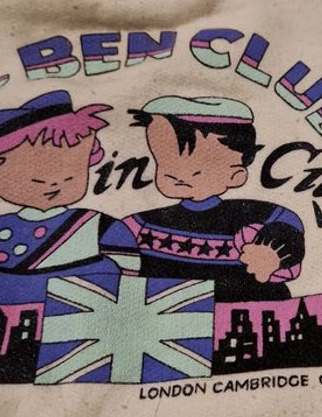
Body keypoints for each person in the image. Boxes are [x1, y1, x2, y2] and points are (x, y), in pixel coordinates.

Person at [0, 90, 139, 304]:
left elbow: (128, 263)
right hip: (3, 316)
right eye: (34, 179)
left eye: (71, 175)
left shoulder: (95, 225)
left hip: (80, 311)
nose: (53, 183)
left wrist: (119, 298)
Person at [124, 95, 305, 302]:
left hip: (245, 315)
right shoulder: (143, 225)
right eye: (165, 164)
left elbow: (288, 232)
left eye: (197, 168)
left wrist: (272, 253)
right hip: (165, 315)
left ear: (237, 174)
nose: (177, 175)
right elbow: (111, 252)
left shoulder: (257, 216)